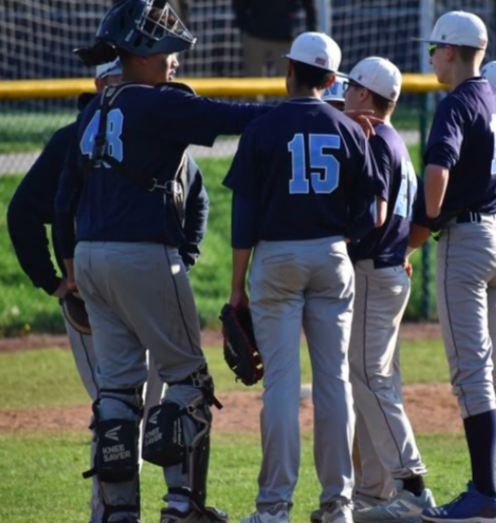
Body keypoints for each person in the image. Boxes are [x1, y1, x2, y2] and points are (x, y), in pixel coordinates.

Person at [55, 2, 271, 523]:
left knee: (117, 389)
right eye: (169, 50)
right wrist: (305, 111)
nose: (175, 60)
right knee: (188, 380)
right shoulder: (157, 104)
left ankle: (116, 511)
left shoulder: (96, 108)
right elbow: (234, 118)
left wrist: (70, 269)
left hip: (90, 258)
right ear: (144, 53)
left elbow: (64, 201)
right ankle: (182, 506)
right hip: (143, 253)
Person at [223, 31, 380, 523]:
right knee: (334, 382)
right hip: (332, 255)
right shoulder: (351, 130)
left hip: (276, 259)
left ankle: (273, 508)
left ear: (288, 70)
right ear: (333, 80)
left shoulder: (264, 129)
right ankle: (338, 505)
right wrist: (339, 239)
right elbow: (373, 213)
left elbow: (243, 217)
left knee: (283, 387)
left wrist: (236, 289)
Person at [7, 58, 170, 523]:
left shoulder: (153, 130)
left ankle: (144, 507)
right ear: (102, 83)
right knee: (117, 406)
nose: (132, 86)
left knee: (141, 404)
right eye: (121, 77)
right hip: (91, 296)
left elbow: (190, 202)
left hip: (146, 286)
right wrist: (54, 282)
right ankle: (113, 510)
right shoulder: (72, 138)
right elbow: (20, 214)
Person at [341, 56, 435, 523]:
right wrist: (405, 252)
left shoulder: (374, 138)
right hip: (391, 270)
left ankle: (412, 483)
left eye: (348, 88)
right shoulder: (397, 140)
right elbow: (422, 217)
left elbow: (373, 213)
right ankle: (378, 492)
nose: (342, 95)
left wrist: (341, 241)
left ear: (363, 94)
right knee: (379, 380)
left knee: (368, 377)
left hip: (374, 272)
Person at [414, 10, 496, 523]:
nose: (431, 58)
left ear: (449, 51)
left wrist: (420, 229)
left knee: (472, 372)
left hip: (466, 240)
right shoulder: (492, 95)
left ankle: (485, 491)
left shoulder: (457, 102)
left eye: (433, 49)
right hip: (495, 226)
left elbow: (437, 174)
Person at [232, 0, 317, 77]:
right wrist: (243, 25)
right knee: (253, 82)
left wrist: (313, 31)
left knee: (287, 82)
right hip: (254, 36)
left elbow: (309, 5)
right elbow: (239, 4)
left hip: (285, 38)